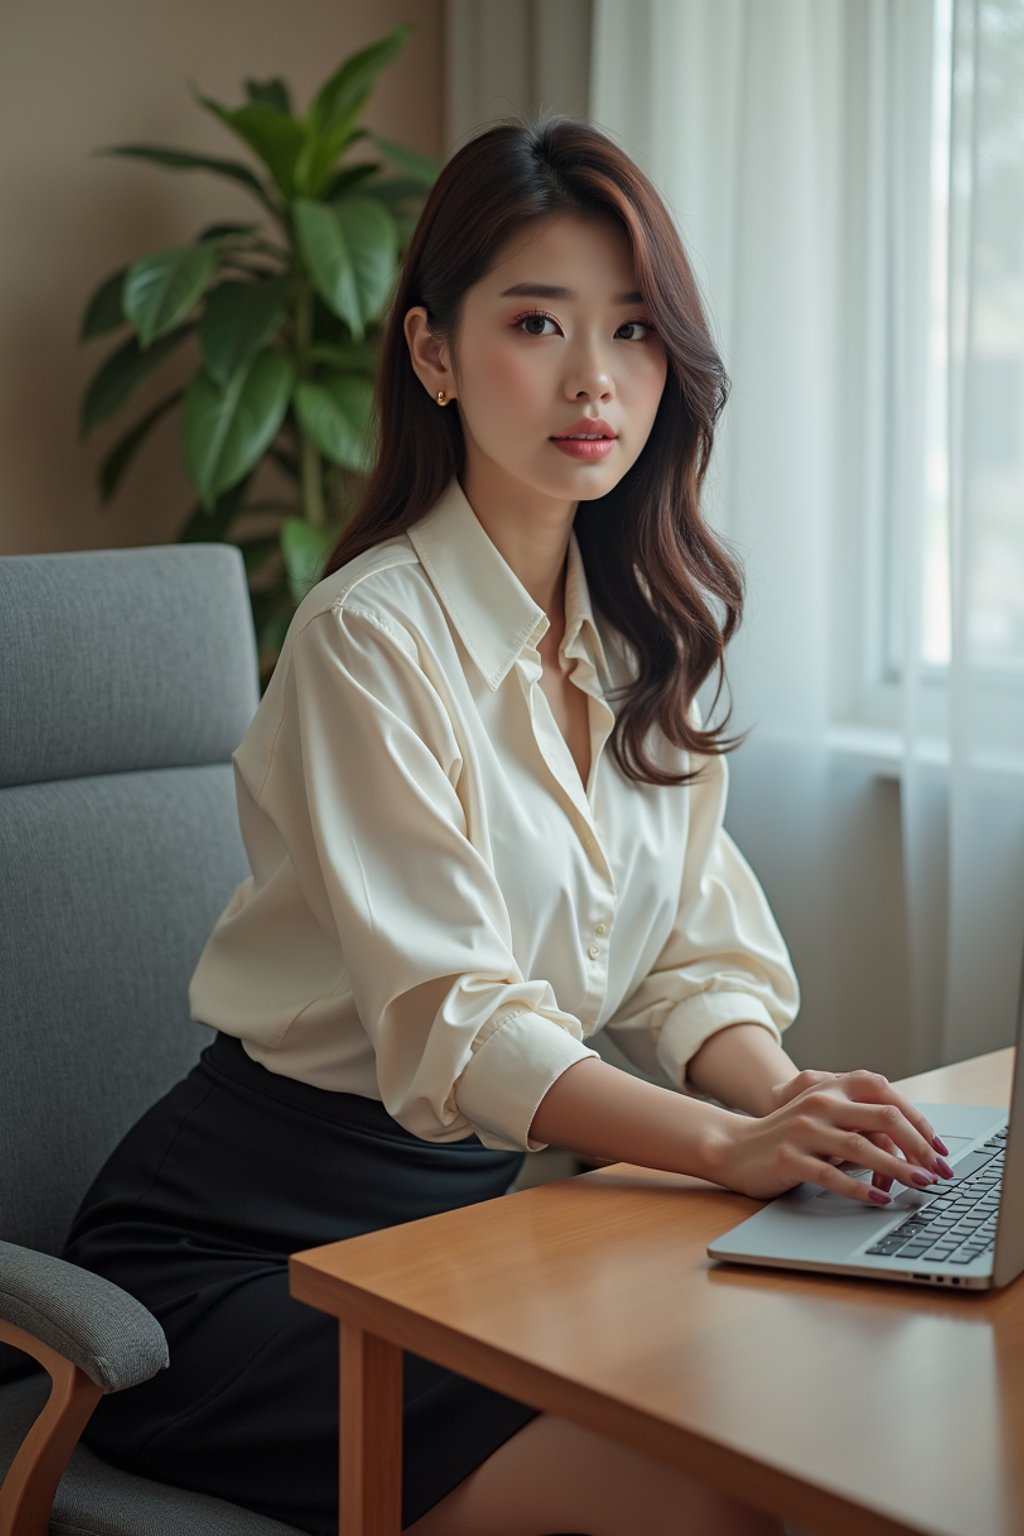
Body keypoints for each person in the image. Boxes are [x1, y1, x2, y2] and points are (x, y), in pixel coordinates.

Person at [62, 114, 955, 1536]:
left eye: (636, 331)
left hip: (475, 1231)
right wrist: (723, 1152)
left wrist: (775, 1095)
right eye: (537, 322)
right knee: (716, 1495)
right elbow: (462, 1019)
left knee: (831, 1426)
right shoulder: (365, 639)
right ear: (431, 352)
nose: (595, 379)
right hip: (232, 1261)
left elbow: (685, 962)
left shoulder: (642, 636)